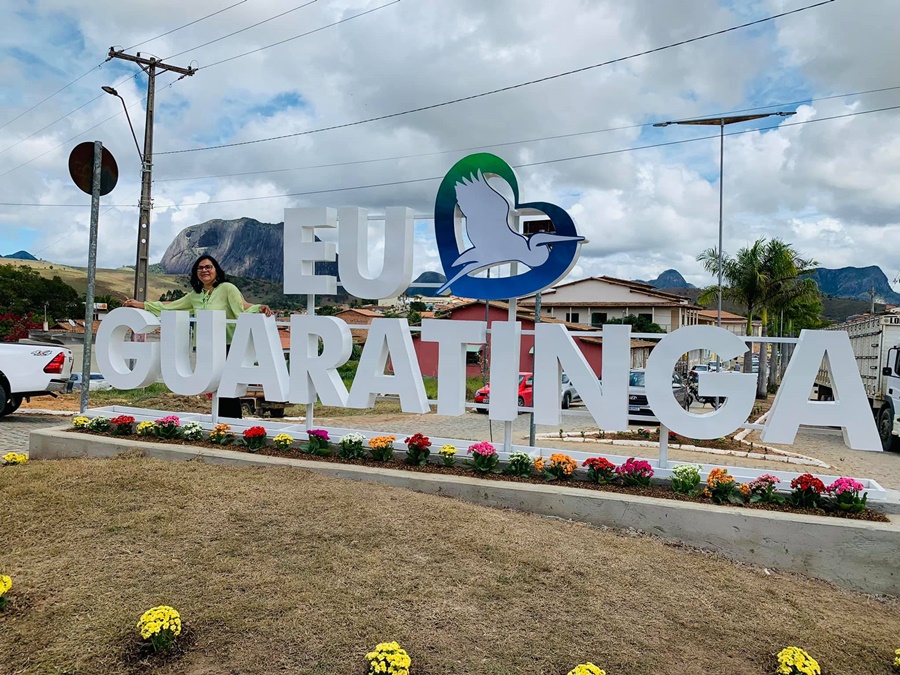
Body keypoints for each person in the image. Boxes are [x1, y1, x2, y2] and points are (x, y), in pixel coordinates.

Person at [123, 255, 273, 418]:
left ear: (216, 270)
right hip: (207, 347)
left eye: (208, 267)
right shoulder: (195, 295)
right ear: (196, 273)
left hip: (229, 345)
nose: (204, 270)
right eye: (200, 268)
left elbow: (242, 307)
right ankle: (221, 424)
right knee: (216, 387)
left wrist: (259, 308)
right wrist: (142, 305)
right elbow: (173, 306)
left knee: (227, 387)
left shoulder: (227, 288)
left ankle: (231, 423)